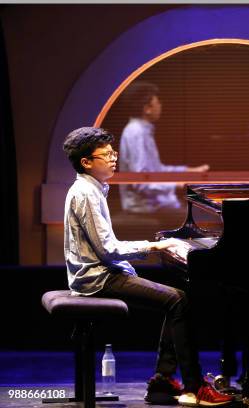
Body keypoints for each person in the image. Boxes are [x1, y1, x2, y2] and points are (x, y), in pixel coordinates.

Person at [62, 126, 232, 407]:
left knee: (176, 298)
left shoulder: (91, 189)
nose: (114, 158)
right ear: (86, 162)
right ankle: (194, 388)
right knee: (178, 300)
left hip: (100, 273)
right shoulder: (85, 194)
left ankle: (163, 382)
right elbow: (108, 250)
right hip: (97, 279)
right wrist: (153, 246)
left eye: (113, 152)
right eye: (106, 155)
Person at [118, 81, 209, 213]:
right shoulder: (136, 132)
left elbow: (157, 170)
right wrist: (177, 184)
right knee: (205, 215)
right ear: (147, 108)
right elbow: (141, 182)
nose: (160, 105)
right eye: (157, 102)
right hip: (145, 206)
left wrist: (189, 171)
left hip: (156, 203)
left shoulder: (142, 130)